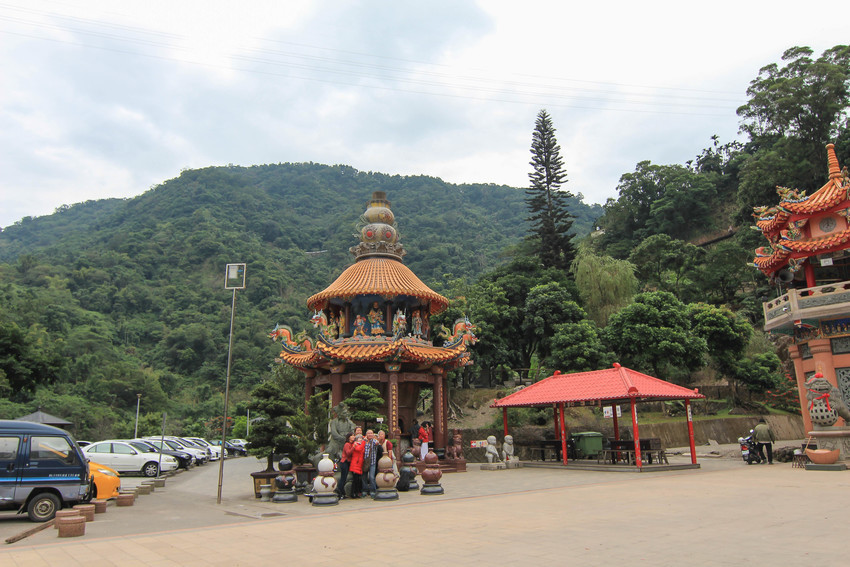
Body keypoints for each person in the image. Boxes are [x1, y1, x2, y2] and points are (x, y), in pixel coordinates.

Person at [336, 433, 355, 498]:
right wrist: (353, 447)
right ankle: (339, 492)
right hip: (344, 462)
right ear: (349, 437)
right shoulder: (347, 444)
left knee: (344, 477)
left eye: (353, 435)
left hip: (348, 463)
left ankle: (342, 492)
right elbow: (348, 453)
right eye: (352, 435)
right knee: (343, 478)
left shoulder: (351, 444)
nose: (353, 437)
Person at [363, 429, 381, 496]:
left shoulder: (374, 441)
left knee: (371, 477)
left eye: (371, 433)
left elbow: (377, 443)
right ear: (366, 434)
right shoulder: (363, 441)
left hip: (372, 462)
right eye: (368, 433)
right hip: (364, 463)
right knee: (364, 477)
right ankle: (364, 491)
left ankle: (373, 491)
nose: (370, 434)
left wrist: (377, 443)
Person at [349, 434, 366, 498]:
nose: (361, 439)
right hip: (355, 464)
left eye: (361, 438)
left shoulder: (361, 444)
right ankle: (353, 493)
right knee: (355, 480)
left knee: (358, 480)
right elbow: (359, 449)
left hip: (359, 464)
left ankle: (357, 493)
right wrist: (364, 442)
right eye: (359, 438)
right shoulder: (355, 444)